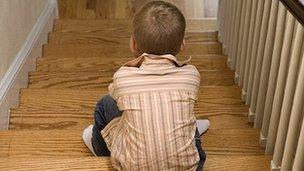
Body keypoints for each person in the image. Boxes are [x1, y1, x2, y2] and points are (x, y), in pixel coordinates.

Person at [82, 1, 210, 170]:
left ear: (133, 44)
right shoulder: (192, 75)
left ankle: (100, 148)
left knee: (104, 104)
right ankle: (187, 135)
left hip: (132, 167)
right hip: (190, 167)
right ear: (182, 44)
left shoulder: (122, 77)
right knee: (182, 109)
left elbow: (115, 97)